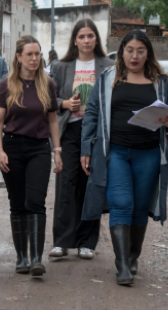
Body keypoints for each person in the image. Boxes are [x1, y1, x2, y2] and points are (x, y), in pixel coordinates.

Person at [80, 30, 168, 286]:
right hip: (116, 152)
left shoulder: (160, 82)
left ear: (148, 54)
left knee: (139, 205)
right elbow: (91, 113)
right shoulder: (108, 78)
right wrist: (86, 148)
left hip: (148, 153)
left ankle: (133, 256)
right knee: (121, 201)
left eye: (141, 51)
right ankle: (122, 263)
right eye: (130, 50)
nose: (135, 56)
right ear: (122, 51)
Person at [0, 35, 62, 278]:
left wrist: (57, 151)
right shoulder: (7, 84)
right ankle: (21, 257)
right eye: (30, 54)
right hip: (12, 147)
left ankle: (36, 259)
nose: (35, 59)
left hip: (38, 148)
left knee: (36, 202)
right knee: (18, 203)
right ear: (19, 57)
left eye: (38, 54)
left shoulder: (48, 84)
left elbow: (53, 120)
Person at [49, 19, 113, 261]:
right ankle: (62, 242)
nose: (86, 40)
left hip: (96, 132)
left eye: (90, 36)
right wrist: (65, 103)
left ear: (96, 39)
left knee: (91, 185)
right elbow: (48, 100)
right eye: (82, 36)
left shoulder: (108, 66)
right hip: (69, 129)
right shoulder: (61, 66)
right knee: (66, 183)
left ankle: (87, 242)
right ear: (74, 40)